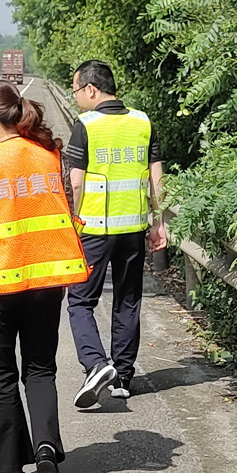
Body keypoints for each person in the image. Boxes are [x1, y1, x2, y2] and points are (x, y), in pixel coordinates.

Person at [0, 80, 89, 473]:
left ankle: (11, 472)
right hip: (47, 281)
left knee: (1, 376)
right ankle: (46, 453)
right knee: (40, 369)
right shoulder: (51, 155)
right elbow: (67, 208)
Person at [63, 59, 166, 409]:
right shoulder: (142, 122)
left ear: (91, 89)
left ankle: (96, 365)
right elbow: (156, 175)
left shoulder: (86, 125)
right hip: (134, 228)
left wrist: (72, 222)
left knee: (79, 301)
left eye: (76, 90)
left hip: (93, 228)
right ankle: (122, 376)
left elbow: (75, 182)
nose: (76, 97)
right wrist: (159, 221)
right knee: (127, 300)